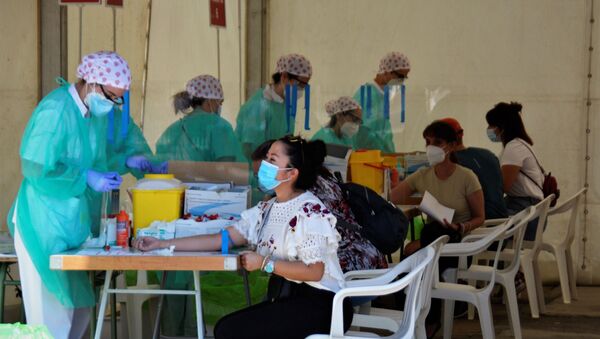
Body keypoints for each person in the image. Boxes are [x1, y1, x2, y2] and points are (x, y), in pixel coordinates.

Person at [134, 135, 353, 339]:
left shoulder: (309, 210)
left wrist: (265, 264)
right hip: (288, 296)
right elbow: (220, 239)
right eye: (267, 158)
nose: (264, 166)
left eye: (272, 159)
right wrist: (162, 243)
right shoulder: (266, 209)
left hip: (323, 304)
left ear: (290, 173)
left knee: (230, 331)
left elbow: (315, 272)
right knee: (227, 328)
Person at [7, 51, 131, 339]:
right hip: (42, 224)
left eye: (118, 98)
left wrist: (113, 169)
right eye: (111, 96)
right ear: (91, 84)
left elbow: (95, 158)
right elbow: (36, 167)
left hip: (69, 225)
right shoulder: (56, 110)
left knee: (78, 311)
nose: (113, 104)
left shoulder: (89, 114)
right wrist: (85, 177)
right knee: (51, 320)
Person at [390, 121, 484, 337]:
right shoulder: (423, 175)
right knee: (410, 265)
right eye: (427, 142)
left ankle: (426, 321)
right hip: (433, 242)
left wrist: (461, 226)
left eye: (437, 142)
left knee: (421, 252)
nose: (430, 147)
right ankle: (412, 320)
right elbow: (393, 197)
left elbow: (480, 217)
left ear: (451, 146)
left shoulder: (466, 177)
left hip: (458, 244)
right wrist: (398, 182)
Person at [252, 139, 387, 273]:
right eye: (257, 175)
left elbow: (312, 268)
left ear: (289, 169)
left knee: (288, 268)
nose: (261, 178)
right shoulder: (319, 178)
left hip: (353, 263)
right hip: (367, 254)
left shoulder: (304, 197)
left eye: (268, 166)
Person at [235, 54, 312, 161]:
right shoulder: (257, 107)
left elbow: (286, 140)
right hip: (254, 171)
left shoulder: (285, 104)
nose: (302, 90)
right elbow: (252, 152)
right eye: (300, 84)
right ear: (284, 77)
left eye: (305, 86)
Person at [486, 101, 544, 240]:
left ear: (502, 127)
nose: (488, 129)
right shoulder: (520, 144)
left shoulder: (514, 148)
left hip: (525, 213)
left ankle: (491, 261)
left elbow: (504, 186)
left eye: (491, 125)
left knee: (479, 223)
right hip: (529, 211)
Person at [155, 74, 245, 163]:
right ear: (210, 100)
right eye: (220, 102)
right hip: (210, 178)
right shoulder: (219, 126)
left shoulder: (171, 131)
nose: (220, 106)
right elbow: (229, 168)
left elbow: (161, 165)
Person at [439, 117, 508, 219]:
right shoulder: (489, 155)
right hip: (501, 223)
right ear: (462, 134)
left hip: (478, 226)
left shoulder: (452, 163)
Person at [352, 51, 411, 153]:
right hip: (369, 160)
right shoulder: (367, 95)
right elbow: (363, 135)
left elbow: (385, 135)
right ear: (387, 71)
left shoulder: (382, 96)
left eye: (405, 77)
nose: (402, 81)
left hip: (381, 160)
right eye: (400, 76)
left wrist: (392, 159)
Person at [311, 96, 383, 150]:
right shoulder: (323, 138)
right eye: (354, 119)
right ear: (339, 115)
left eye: (359, 121)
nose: (356, 125)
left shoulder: (346, 139)